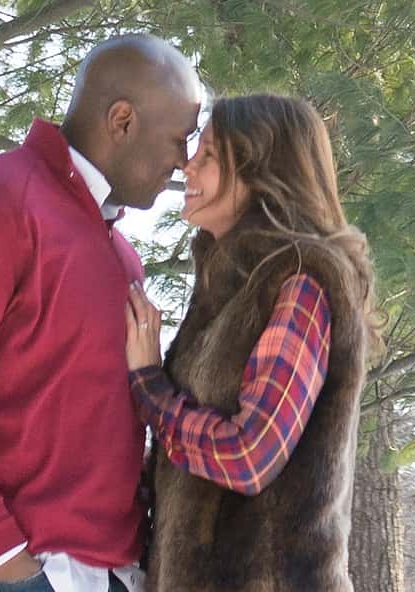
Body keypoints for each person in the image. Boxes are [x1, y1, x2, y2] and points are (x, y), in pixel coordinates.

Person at [0, 34, 204, 592]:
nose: (184, 162)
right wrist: (6, 567)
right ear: (123, 120)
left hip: (101, 575)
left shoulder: (122, 255)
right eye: (178, 140)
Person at [122, 93, 376, 592]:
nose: (187, 165)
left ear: (262, 175)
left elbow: (250, 455)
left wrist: (149, 386)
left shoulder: (301, 280)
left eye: (210, 156)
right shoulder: (226, 282)